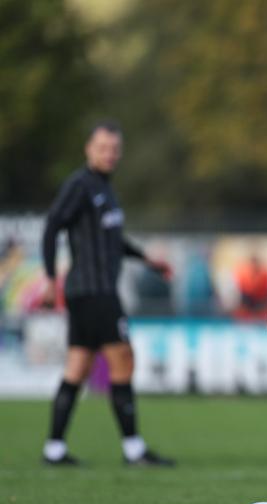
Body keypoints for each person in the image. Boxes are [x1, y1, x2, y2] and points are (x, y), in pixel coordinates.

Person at [40, 121, 174, 467]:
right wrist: (49, 278)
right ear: (89, 148)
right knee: (123, 360)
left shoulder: (105, 188)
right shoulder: (80, 185)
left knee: (77, 368)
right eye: (103, 148)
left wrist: (148, 260)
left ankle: (53, 450)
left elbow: (114, 241)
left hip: (89, 293)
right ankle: (134, 450)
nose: (109, 154)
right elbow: (53, 224)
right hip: (94, 291)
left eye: (114, 149)